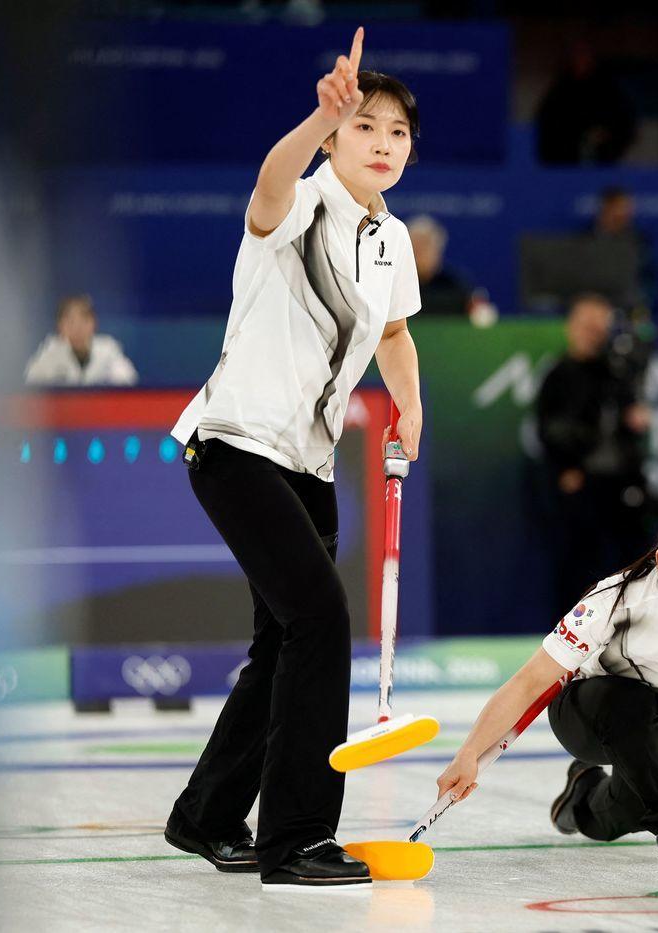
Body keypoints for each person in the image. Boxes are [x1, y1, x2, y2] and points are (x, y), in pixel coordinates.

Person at [164, 28, 425, 888]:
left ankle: (205, 816)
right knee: (318, 619)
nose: (382, 144)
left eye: (396, 133)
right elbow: (270, 183)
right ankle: (296, 837)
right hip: (236, 442)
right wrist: (318, 120)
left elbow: (392, 331)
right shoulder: (302, 203)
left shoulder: (389, 241)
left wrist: (410, 403)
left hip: (309, 463)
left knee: (283, 640)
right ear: (338, 136)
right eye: (366, 127)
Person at [436, 489, 658, 861]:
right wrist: (470, 752)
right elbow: (530, 681)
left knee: (621, 816)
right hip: (592, 713)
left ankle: (582, 792)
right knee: (632, 708)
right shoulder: (617, 599)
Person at [535, 293, 653, 609]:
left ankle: (631, 634)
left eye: (600, 327)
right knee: (579, 563)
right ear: (572, 327)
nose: (594, 333)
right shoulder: (559, 375)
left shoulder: (616, 372)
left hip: (622, 484)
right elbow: (550, 430)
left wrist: (635, 419)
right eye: (587, 326)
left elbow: (633, 419)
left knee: (633, 561)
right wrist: (568, 467)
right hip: (582, 484)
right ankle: (570, 642)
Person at [24, 294, 138, 387]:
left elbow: (128, 378)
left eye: (83, 321)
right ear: (60, 326)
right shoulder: (51, 350)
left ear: (93, 323)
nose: (77, 329)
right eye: (70, 322)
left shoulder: (107, 348)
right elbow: (31, 380)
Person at [407, 214, 495, 322]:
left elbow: (480, 314)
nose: (419, 254)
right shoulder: (393, 286)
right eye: (415, 247)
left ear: (438, 250)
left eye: (425, 246)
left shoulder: (456, 285)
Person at [590, 186, 658, 312]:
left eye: (628, 207)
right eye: (621, 207)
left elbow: (650, 278)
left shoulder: (639, 241)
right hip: (592, 306)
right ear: (606, 207)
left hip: (629, 306)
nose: (627, 212)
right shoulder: (584, 239)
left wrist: (643, 303)